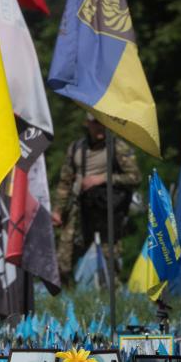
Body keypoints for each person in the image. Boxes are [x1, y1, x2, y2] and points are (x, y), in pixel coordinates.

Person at [51, 114, 140, 284]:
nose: (100, 127)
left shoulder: (118, 147)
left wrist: (102, 179)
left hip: (108, 209)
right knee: (64, 257)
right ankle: (66, 298)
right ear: (88, 123)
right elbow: (65, 182)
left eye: (103, 123)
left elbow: (135, 177)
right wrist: (58, 210)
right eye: (95, 123)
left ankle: (112, 296)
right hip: (80, 208)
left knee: (110, 259)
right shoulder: (76, 148)